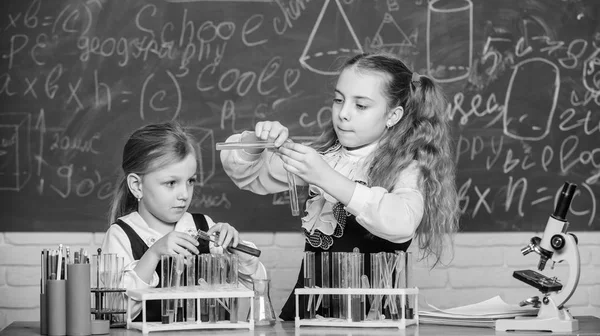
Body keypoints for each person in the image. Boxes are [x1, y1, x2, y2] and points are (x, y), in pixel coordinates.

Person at [220, 52, 459, 320]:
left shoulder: (406, 168)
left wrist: (324, 176)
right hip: (306, 314)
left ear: (393, 115)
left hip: (370, 319)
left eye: (361, 106)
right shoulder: (326, 157)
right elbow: (246, 174)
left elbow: (402, 222)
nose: (343, 114)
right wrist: (257, 140)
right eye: (338, 100)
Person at [101, 121, 267, 322]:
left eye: (190, 181)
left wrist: (237, 252)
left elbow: (255, 286)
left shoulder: (204, 225)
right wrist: (154, 253)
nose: (184, 194)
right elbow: (116, 312)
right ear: (137, 186)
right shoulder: (121, 235)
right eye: (171, 183)